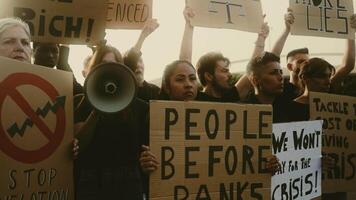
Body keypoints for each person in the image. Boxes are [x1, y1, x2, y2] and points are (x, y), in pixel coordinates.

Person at [74, 44, 148, 200]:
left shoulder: (138, 106)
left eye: (114, 65)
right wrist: (97, 108)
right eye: (103, 65)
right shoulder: (80, 102)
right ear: (94, 69)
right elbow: (79, 143)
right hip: (92, 180)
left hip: (129, 180)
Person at [179, 6, 270, 102]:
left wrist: (262, 37)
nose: (230, 74)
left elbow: (252, 68)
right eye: (224, 71)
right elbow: (185, 62)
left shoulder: (230, 97)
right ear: (209, 76)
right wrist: (189, 25)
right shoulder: (195, 98)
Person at [271, 10, 356, 99]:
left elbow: (347, 65)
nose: (306, 64)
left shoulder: (321, 86)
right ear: (289, 66)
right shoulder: (282, 88)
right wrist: (287, 30)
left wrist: (350, 32)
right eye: (301, 61)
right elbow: (270, 59)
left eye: (308, 62)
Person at [244, 52, 290, 123]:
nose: (281, 77)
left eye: (281, 72)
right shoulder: (242, 111)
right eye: (273, 73)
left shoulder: (287, 106)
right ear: (255, 80)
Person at [123, 19, 160, 103]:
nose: (138, 65)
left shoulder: (156, 91)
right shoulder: (121, 92)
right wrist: (142, 36)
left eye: (141, 61)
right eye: (135, 61)